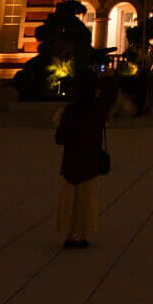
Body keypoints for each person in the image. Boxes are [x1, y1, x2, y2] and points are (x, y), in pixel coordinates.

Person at [55, 70, 118, 248]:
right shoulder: (98, 108)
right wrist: (105, 79)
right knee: (87, 200)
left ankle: (69, 234)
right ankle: (82, 235)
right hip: (90, 161)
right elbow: (112, 94)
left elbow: (60, 138)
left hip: (71, 161)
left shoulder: (70, 110)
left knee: (69, 200)